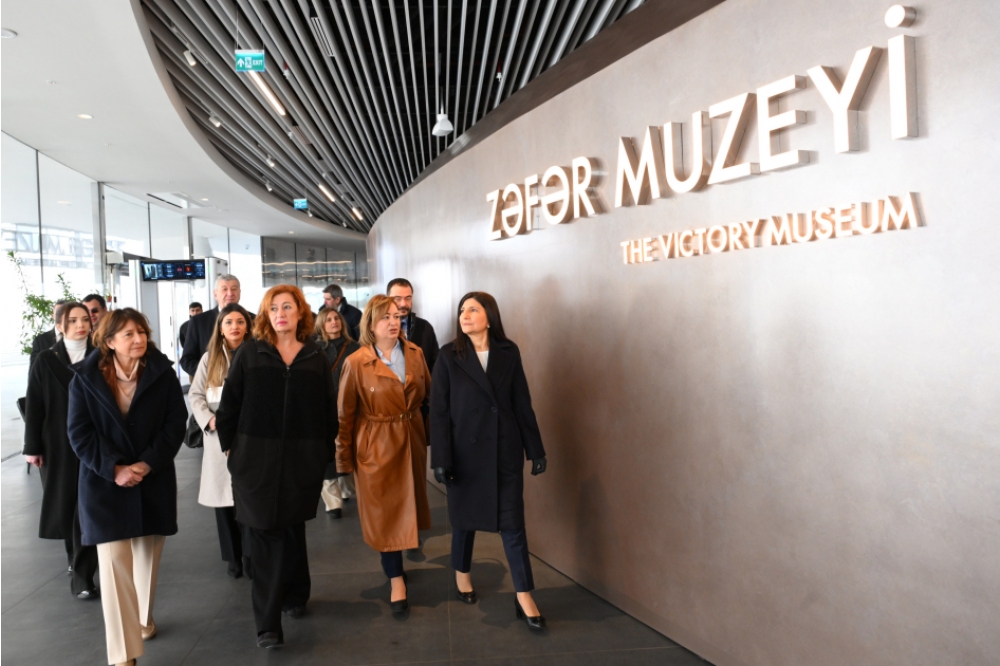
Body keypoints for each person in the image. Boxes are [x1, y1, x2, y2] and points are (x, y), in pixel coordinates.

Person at [216, 285, 337, 649]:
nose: (280, 313)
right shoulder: (250, 353)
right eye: (273, 308)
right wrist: (232, 451)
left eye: (287, 307)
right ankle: (267, 624)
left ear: (300, 313)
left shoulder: (315, 356)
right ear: (266, 315)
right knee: (265, 535)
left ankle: (296, 595)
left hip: (302, 463)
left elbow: (327, 412)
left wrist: (320, 454)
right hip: (254, 464)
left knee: (291, 527)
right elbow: (229, 405)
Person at [67, 308, 187, 666]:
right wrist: (114, 468)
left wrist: (147, 463)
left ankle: (143, 620)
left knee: (147, 559)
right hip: (104, 484)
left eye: (141, 332)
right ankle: (123, 654)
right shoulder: (85, 378)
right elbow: (79, 433)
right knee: (113, 565)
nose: (138, 339)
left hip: (153, 478)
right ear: (109, 342)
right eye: (128, 334)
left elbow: (175, 424)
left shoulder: (162, 373)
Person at [430, 292, 548, 631]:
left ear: (489, 316)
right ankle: (462, 574)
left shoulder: (508, 352)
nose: (465, 315)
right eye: (462, 310)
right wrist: (440, 457)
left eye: (473, 309)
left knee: (513, 525)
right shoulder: (448, 355)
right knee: (463, 522)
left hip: (503, 451)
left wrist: (535, 449)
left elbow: (522, 403)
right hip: (464, 454)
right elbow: (438, 411)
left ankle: (524, 594)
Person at [336, 294, 432, 615]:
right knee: (385, 515)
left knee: (407, 507)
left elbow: (429, 398)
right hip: (375, 443)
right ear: (370, 325)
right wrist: (344, 459)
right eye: (384, 317)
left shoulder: (415, 353)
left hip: (411, 439)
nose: (393, 322)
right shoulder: (356, 362)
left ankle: (398, 571)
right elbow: (345, 416)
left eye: (396, 316)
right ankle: (395, 578)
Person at [23, 301, 99, 599]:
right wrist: (32, 447)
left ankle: (83, 575)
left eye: (85, 319)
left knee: (88, 503)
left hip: (95, 439)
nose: (81, 325)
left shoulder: (101, 355)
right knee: (67, 503)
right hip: (57, 443)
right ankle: (75, 562)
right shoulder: (46, 359)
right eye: (73, 320)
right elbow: (35, 403)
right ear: (59, 326)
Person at [189, 303, 252, 578]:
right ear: (221, 328)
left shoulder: (257, 354)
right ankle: (233, 557)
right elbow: (196, 395)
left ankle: (251, 555)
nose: (235, 327)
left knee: (249, 500)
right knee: (224, 503)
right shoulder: (209, 358)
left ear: (247, 326)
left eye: (240, 321)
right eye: (229, 322)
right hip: (218, 438)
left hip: (249, 436)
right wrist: (208, 419)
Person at [314, 307, 360, 519]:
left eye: (336, 318)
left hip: (350, 407)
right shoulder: (314, 349)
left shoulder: (355, 348)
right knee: (326, 454)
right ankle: (333, 502)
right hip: (322, 408)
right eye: (328, 319)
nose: (334, 322)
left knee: (348, 449)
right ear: (321, 324)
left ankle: (348, 488)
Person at [180, 275, 246, 376]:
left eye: (234, 289)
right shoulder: (198, 322)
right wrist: (211, 375)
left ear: (240, 293)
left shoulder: (253, 320)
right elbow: (187, 360)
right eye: (224, 289)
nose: (230, 293)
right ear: (215, 294)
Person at [387, 278, 439, 373]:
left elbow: (435, 365)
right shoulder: (378, 328)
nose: (403, 304)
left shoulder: (425, 327)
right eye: (397, 299)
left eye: (408, 298)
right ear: (387, 299)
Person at [29, 299, 70, 367]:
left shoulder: (81, 338)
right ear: (53, 316)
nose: (62, 317)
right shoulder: (40, 341)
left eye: (66, 314)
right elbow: (34, 370)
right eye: (58, 314)